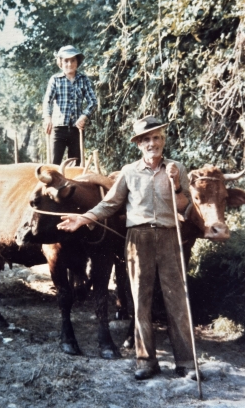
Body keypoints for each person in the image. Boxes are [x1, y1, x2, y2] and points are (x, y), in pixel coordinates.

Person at [57, 115, 202, 381]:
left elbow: (185, 207)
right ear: (138, 144)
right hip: (138, 238)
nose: (152, 143)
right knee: (141, 300)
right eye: (146, 139)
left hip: (170, 236)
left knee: (177, 300)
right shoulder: (129, 171)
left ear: (163, 140)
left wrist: (177, 185)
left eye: (157, 137)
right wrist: (83, 218)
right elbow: (110, 204)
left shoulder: (177, 168)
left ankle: (186, 362)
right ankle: (146, 361)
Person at [43, 45, 97, 165]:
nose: (69, 64)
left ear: (77, 62)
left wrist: (84, 117)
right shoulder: (55, 80)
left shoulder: (83, 80)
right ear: (60, 63)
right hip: (58, 129)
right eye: (66, 61)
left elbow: (93, 102)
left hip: (76, 130)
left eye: (73, 60)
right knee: (53, 166)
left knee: (75, 167)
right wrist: (47, 117)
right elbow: (47, 101)